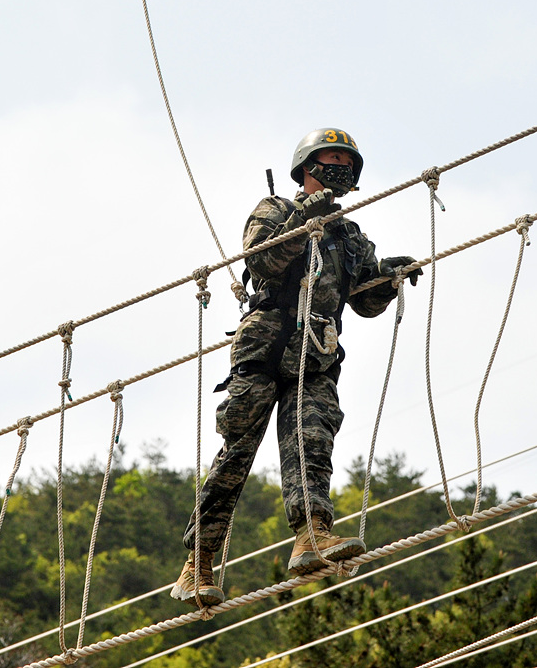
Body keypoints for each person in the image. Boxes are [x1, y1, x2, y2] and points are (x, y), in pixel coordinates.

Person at [171, 128, 421, 607]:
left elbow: (364, 302)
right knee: (237, 454)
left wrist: (389, 279)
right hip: (265, 349)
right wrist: (304, 219)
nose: (341, 167)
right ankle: (198, 561)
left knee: (313, 441)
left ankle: (312, 536)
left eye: (348, 161)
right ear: (308, 164)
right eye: (331, 157)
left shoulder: (348, 238)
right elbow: (262, 262)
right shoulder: (276, 210)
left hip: (317, 353)